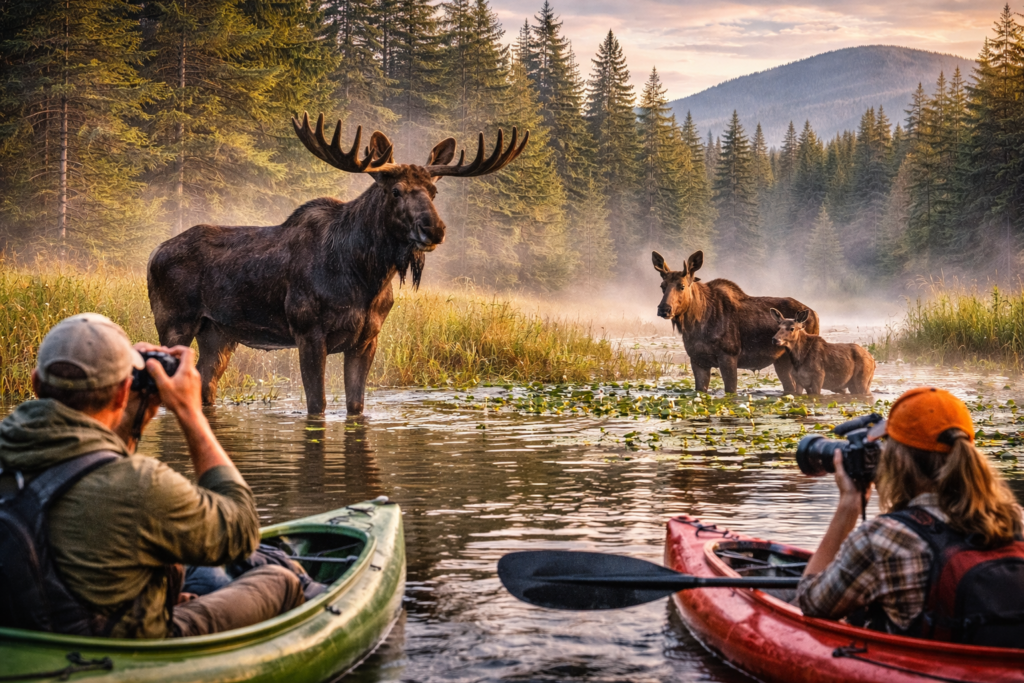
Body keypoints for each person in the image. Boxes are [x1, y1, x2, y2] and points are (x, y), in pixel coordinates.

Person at [0, 313, 304, 638]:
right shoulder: (139, 484)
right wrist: (190, 412)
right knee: (280, 581)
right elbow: (239, 532)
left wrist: (134, 417)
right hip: (117, 646)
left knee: (186, 569)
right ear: (122, 393)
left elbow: (84, 470)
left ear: (35, 383)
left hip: (26, 623)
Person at [797, 386, 1024, 646]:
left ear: (900, 460)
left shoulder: (885, 538)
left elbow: (811, 602)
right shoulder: (1014, 519)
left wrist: (849, 504)